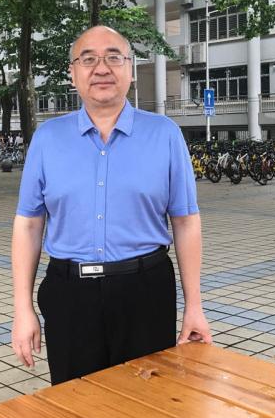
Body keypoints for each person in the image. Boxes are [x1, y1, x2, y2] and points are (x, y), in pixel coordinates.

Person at [11, 25, 211, 386]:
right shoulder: (47, 139)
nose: (101, 68)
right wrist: (22, 308)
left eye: (113, 58)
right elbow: (28, 225)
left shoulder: (165, 134)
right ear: (72, 73)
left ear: (130, 70)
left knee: (148, 402)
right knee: (75, 404)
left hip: (145, 291)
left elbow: (185, 221)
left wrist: (194, 306)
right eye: (88, 59)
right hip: (69, 295)